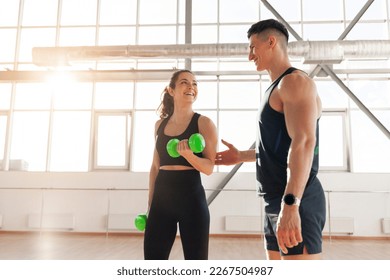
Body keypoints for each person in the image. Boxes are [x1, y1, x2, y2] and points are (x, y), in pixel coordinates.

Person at [215, 19, 326, 260]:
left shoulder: (294, 82)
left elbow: (304, 143)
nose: (250, 55)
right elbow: (280, 149)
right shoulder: (276, 87)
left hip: (297, 198)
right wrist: (242, 156)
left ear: (271, 42)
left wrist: (291, 204)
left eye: (252, 47)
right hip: (275, 198)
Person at [144, 69, 218, 260]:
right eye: (185, 82)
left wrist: (189, 156)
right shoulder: (159, 125)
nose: (191, 87)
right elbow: (154, 167)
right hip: (161, 200)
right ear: (171, 90)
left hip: (192, 200)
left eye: (194, 84)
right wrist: (151, 203)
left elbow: (209, 167)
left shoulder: (204, 123)